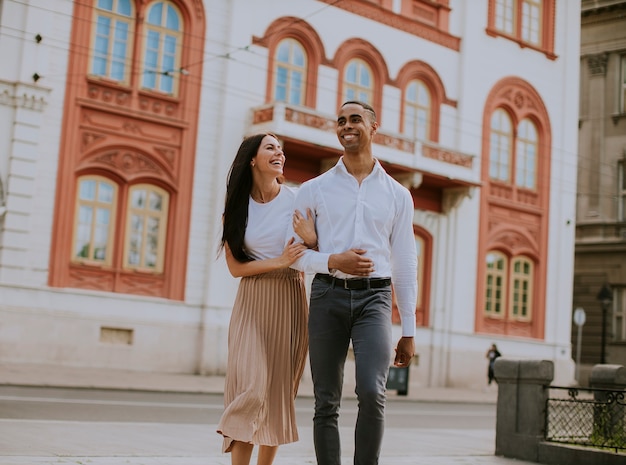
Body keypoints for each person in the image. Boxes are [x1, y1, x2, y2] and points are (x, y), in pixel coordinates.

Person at [287, 101, 418, 465]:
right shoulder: (313, 189)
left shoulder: (397, 194)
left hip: (375, 299)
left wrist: (409, 327)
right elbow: (293, 254)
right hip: (327, 295)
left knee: (372, 392)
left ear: (374, 127)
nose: (347, 125)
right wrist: (332, 260)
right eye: (341, 120)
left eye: (355, 119)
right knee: (325, 399)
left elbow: (405, 260)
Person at [217, 133, 317, 465]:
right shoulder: (235, 209)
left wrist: (312, 239)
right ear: (252, 159)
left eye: (281, 149)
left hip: (289, 297)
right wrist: (279, 261)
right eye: (270, 148)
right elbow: (235, 268)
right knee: (251, 387)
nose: (279, 153)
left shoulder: (297, 199)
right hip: (251, 300)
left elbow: (317, 244)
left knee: (276, 393)